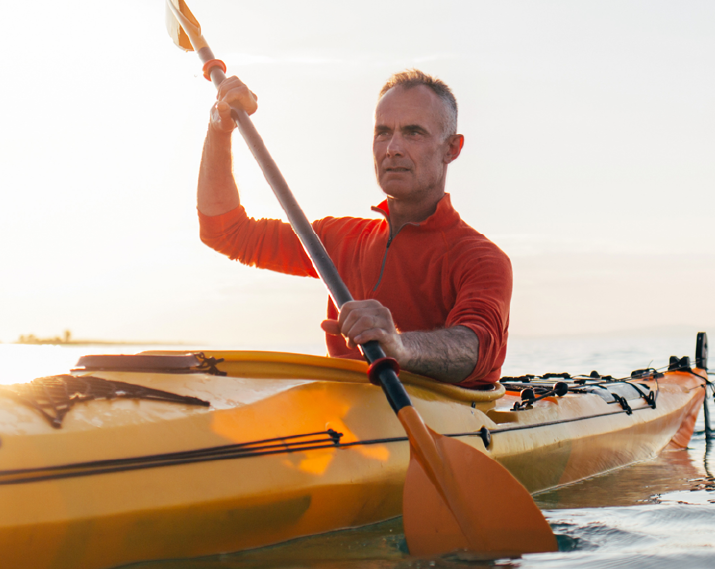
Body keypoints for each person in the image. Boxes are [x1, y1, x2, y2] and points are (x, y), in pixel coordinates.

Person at [197, 69, 511, 389]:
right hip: (348, 416)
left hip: (451, 417)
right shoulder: (337, 240)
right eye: (383, 132)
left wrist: (400, 347)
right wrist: (219, 128)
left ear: (451, 149)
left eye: (414, 132)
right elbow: (225, 232)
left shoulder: (482, 259)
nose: (392, 148)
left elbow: (474, 347)